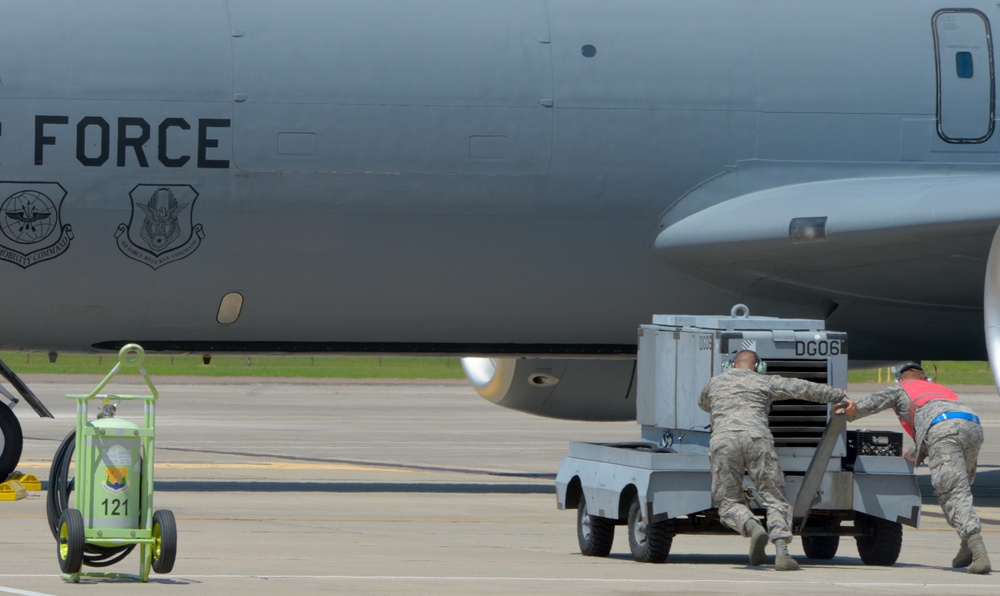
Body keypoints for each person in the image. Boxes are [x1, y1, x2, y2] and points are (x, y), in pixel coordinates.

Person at [698, 350, 847, 571]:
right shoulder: (765, 381)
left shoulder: (714, 382)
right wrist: (836, 395)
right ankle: (782, 553)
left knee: (728, 501)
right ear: (759, 366)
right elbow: (801, 388)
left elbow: (704, 404)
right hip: (758, 440)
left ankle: (752, 527)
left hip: (724, 442)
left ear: (731, 365)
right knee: (774, 497)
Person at [841, 362, 991, 574]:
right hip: (972, 425)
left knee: (953, 492)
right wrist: (912, 454)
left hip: (942, 430)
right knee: (963, 488)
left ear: (901, 379)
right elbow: (933, 431)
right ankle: (966, 543)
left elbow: (861, 408)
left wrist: (841, 411)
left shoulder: (900, 388)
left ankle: (978, 552)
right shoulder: (940, 390)